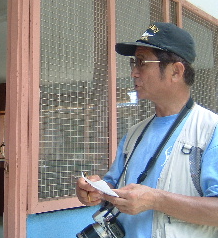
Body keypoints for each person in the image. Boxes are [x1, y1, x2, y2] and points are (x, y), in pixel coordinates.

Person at [76, 22, 218, 237]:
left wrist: (156, 200)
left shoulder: (210, 131)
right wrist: (96, 190)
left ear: (176, 71)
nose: (133, 72)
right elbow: (113, 185)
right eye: (134, 62)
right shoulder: (134, 134)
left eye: (141, 62)